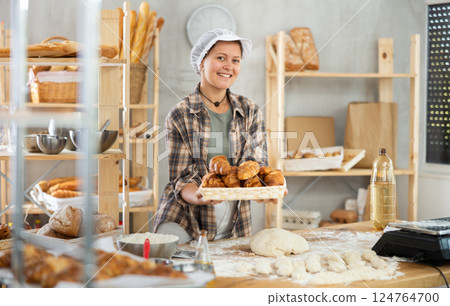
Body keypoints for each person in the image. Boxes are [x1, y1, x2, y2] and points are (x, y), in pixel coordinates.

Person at [153, 28, 286, 243]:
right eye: (220, 58)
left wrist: (265, 190)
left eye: (235, 60)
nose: (229, 66)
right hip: (184, 221)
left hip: (235, 222)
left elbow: (257, 168)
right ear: (202, 62)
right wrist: (199, 196)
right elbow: (180, 179)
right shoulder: (180, 114)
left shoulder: (250, 110)